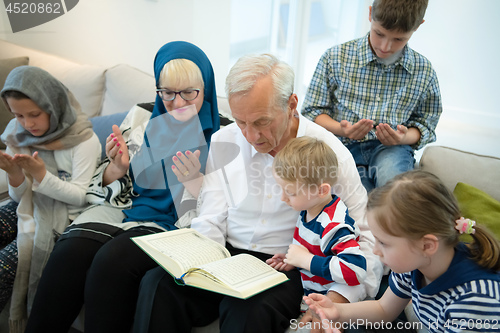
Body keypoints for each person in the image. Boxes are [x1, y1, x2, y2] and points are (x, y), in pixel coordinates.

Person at [134, 53, 383, 333]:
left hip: (286, 268)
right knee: (157, 285)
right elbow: (211, 215)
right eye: (241, 122)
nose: (251, 136)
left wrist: (336, 300)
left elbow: (366, 238)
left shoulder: (328, 153)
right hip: (224, 256)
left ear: (291, 105)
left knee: (246, 311)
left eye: (261, 121)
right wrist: (198, 263)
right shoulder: (224, 140)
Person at [24, 41, 220, 333]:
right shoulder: (142, 116)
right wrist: (116, 167)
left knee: (110, 263)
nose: (178, 103)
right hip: (124, 208)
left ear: (205, 89)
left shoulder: (221, 134)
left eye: (189, 93)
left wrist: (194, 183)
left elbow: (220, 210)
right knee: (68, 252)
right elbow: (105, 185)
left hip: (174, 225)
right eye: (167, 93)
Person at [304, 170, 500, 333]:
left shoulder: (475, 300)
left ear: (427, 245)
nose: (375, 250)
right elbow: (383, 310)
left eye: (383, 243)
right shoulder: (413, 263)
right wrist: (337, 311)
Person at [301, 0, 442, 192]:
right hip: (341, 147)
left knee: (393, 194)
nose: (385, 46)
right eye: (379, 34)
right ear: (370, 14)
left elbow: (426, 124)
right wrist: (342, 130)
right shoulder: (335, 57)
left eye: (398, 39)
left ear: (418, 26)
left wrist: (402, 138)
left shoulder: (423, 71)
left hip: (392, 150)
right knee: (356, 199)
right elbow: (312, 112)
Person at [0, 66, 100, 329]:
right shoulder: (16, 132)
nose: (27, 124)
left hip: (62, 218)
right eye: (18, 115)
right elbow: (20, 196)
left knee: (4, 267)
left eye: (34, 114)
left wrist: (42, 176)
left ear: (53, 105)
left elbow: (80, 197)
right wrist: (15, 175)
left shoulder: (84, 139)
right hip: (27, 206)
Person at [268, 136, 367, 296]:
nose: (283, 198)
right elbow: (318, 252)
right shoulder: (310, 207)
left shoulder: (333, 226)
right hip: (311, 293)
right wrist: (294, 260)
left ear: (321, 191)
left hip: (330, 304)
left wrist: (305, 260)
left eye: (290, 192)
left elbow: (356, 271)